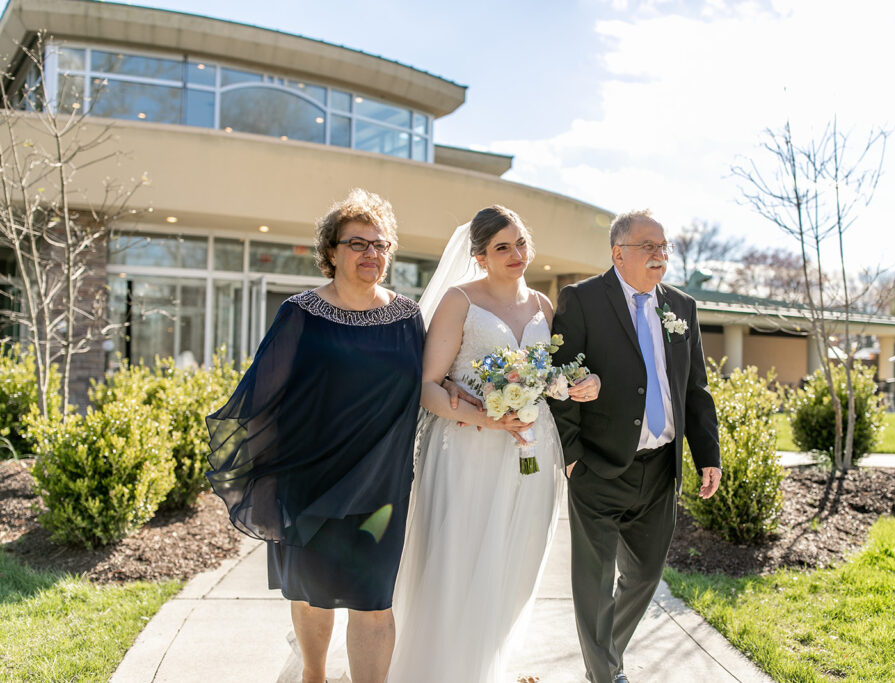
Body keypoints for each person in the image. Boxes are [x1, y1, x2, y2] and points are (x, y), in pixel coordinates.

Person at [206, 189, 422, 683]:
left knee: (373, 599)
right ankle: (314, 675)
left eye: (380, 244)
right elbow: (263, 394)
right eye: (358, 243)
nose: (372, 254)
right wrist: (264, 472)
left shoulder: (408, 317)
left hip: (383, 484)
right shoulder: (301, 312)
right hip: (310, 479)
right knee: (310, 592)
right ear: (330, 251)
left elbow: (428, 385)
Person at [387, 206, 601, 683]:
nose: (516, 254)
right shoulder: (459, 301)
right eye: (502, 247)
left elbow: (554, 379)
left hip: (533, 448)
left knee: (517, 559)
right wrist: (484, 416)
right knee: (461, 558)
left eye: (521, 242)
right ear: (480, 256)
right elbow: (426, 385)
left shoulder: (545, 307)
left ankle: (489, 667)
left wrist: (581, 384)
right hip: (468, 448)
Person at [549, 208, 722, 683]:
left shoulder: (681, 307)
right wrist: (572, 457)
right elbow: (559, 381)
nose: (659, 255)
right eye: (649, 246)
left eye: (664, 246)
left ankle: (606, 659)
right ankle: (604, 675)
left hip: (659, 469)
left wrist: (708, 455)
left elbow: (695, 388)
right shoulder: (581, 299)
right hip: (598, 468)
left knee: (644, 577)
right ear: (617, 253)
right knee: (594, 583)